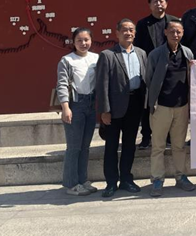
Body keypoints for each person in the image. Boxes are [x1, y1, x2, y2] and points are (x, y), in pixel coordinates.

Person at [96, 19, 147, 198]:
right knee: (111, 146)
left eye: (131, 30)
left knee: (129, 145)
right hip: (114, 107)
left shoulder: (141, 53)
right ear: (117, 33)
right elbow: (102, 85)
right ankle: (111, 183)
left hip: (135, 104)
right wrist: (104, 111)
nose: (128, 33)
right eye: (124, 30)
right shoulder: (108, 55)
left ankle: (126, 179)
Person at [146, 20, 196, 196]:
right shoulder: (155, 54)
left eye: (179, 32)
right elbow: (149, 79)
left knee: (179, 145)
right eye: (172, 31)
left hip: (181, 106)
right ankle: (157, 179)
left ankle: (181, 176)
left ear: (182, 33)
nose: (175, 35)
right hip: (161, 106)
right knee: (158, 145)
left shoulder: (187, 52)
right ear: (165, 32)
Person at [56, 27, 99, 196]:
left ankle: (83, 180)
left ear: (91, 41)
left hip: (91, 104)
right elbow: (62, 85)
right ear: (73, 42)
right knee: (74, 147)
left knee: (85, 146)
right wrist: (65, 107)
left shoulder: (96, 58)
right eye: (79, 40)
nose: (83, 43)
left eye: (86, 40)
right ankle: (72, 183)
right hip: (75, 105)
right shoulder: (67, 60)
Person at [134, 0, 180, 149]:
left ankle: (168, 136)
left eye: (161, 1)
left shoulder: (174, 21)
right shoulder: (142, 24)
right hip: (150, 68)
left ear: (166, 3)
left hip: (170, 68)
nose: (158, 4)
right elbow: (138, 47)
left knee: (168, 103)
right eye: (155, 1)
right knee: (148, 103)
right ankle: (146, 136)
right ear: (150, 5)